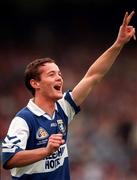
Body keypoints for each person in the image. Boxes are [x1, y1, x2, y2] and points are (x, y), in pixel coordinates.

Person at [2, 11, 136, 180]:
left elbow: (93, 76)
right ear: (35, 83)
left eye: (59, 74)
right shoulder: (24, 119)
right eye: (51, 74)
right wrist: (46, 151)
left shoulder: (63, 108)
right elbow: (8, 158)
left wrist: (119, 43)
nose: (59, 77)